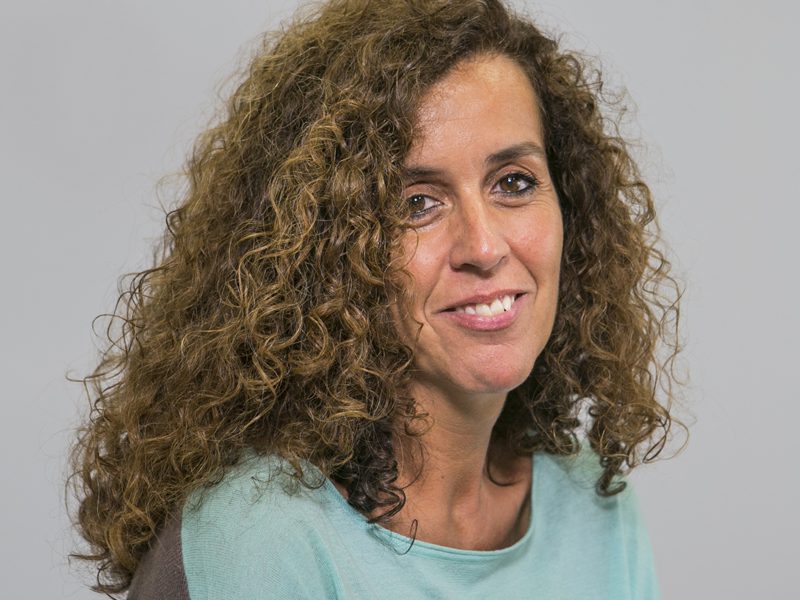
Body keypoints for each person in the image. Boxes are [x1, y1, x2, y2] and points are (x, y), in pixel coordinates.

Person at [69, 0, 683, 598]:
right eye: (417, 203)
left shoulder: (594, 505)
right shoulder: (260, 540)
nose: (483, 246)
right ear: (325, 248)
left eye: (514, 183)